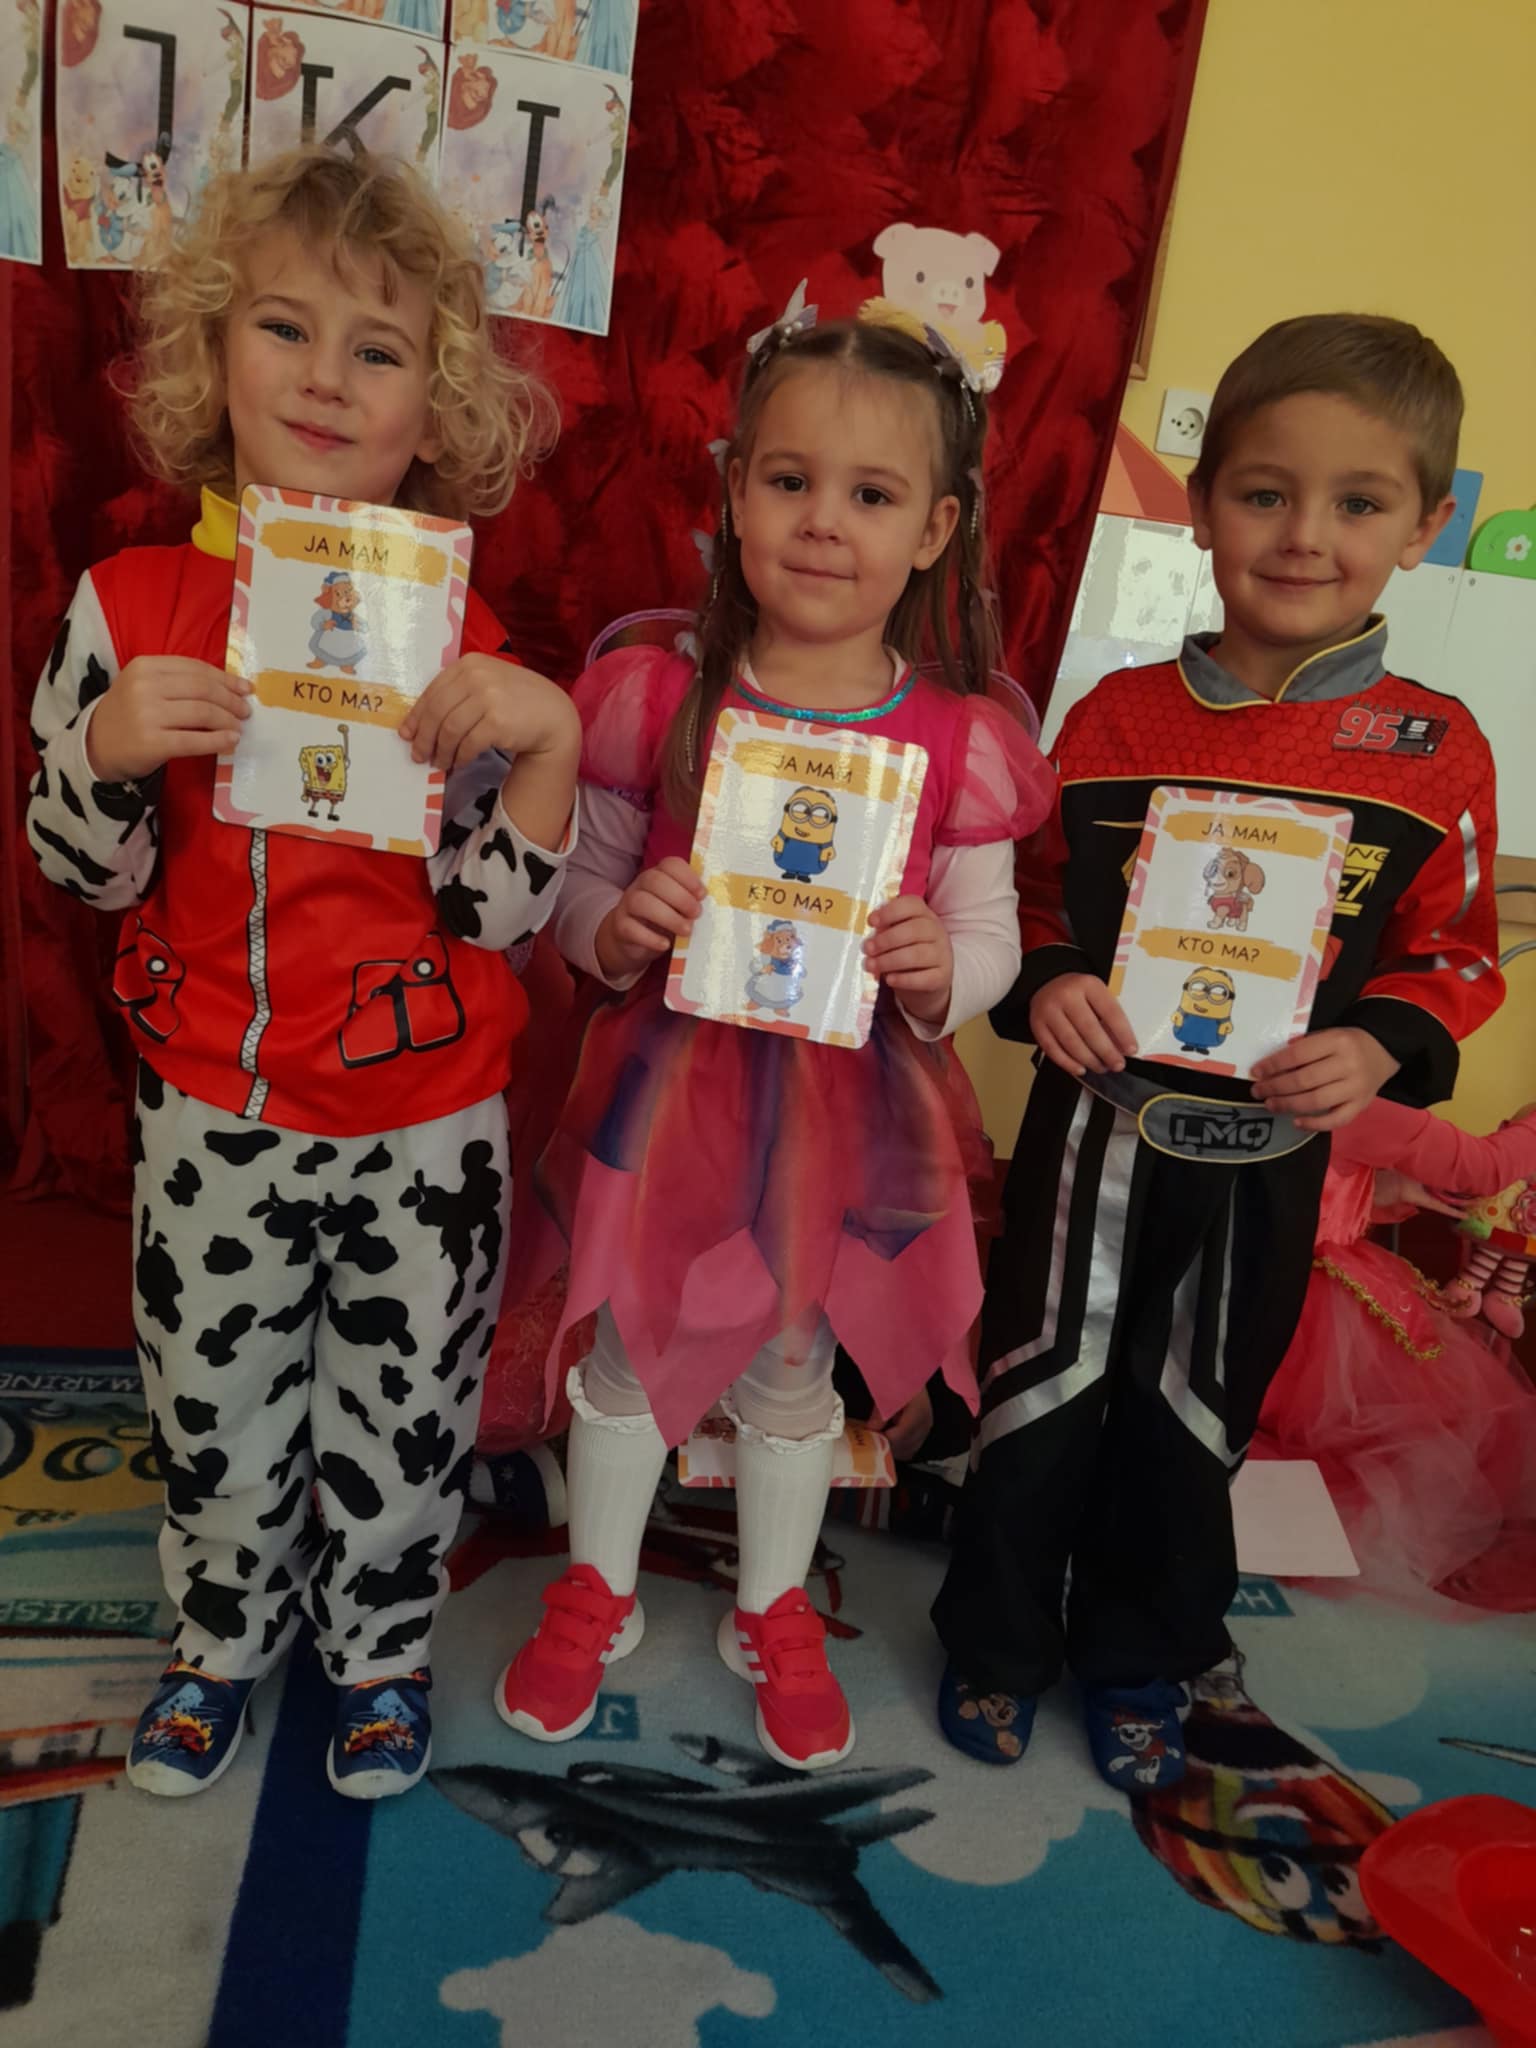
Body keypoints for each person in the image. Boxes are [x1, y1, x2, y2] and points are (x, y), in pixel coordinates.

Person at [25, 147, 576, 1801]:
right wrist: (109, 748)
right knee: (214, 1398)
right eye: (285, 327)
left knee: (404, 1408)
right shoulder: (130, 604)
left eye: (378, 348)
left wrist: (547, 750)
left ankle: (381, 1645)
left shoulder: (462, 631)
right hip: (216, 1107)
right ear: (211, 355)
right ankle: (219, 1637)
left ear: (436, 407)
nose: (327, 377)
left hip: (425, 1125)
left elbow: (492, 916)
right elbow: (84, 871)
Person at [932, 313, 1504, 1784]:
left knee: (1194, 1416)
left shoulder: (1438, 749)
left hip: (1271, 1151)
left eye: (1359, 502)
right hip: (1095, 1129)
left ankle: (1142, 1653)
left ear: (1426, 526)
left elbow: (1457, 955)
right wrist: (1048, 981)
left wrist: (1377, 1046)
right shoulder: (1114, 716)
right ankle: (995, 1641)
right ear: (1201, 505)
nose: (1306, 535)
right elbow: (1031, 901)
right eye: (1264, 492)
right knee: (1038, 1386)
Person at [495, 309, 1054, 1770]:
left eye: (871, 495)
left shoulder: (959, 740)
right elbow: (576, 889)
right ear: (735, 490)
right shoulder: (655, 695)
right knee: (632, 1336)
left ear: (934, 531)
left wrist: (943, 970)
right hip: (670, 1088)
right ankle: (597, 1584)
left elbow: (990, 936)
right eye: (790, 480)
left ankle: (772, 1603)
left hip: (848, 1108)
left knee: (795, 1358)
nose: (822, 522)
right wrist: (617, 928)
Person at [1258, 1097, 1536, 1605]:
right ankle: (1291, 1532)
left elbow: (1315, 1188)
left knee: (1283, 1423)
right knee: (1340, 1428)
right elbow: (1484, 1167)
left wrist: (1380, 1190)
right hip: (1314, 1290)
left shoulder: (1301, 1097)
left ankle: (1278, 1529)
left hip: (1266, 1269)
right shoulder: (1355, 1100)